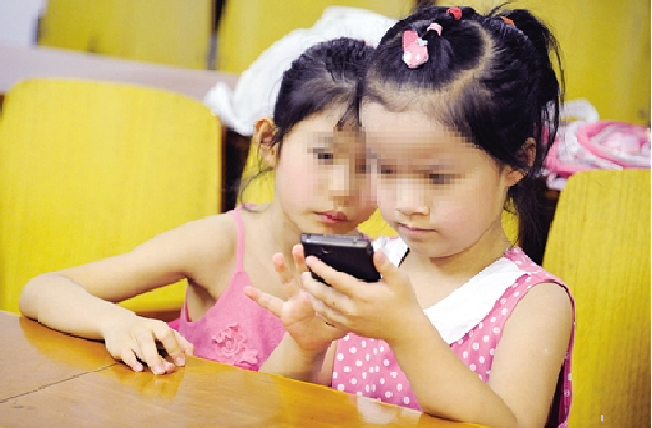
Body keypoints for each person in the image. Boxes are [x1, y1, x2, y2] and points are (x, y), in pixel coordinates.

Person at [246, 6, 574, 427]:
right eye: (384, 168)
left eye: (437, 177)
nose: (407, 203)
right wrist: (306, 347)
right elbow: (269, 407)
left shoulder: (533, 303)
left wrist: (406, 331)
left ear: (518, 161)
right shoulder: (370, 268)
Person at [19, 38, 377, 376]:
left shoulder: (382, 270)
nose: (343, 189)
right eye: (324, 155)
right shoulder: (220, 245)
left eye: (371, 165)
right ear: (269, 142)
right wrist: (116, 322)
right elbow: (44, 289)